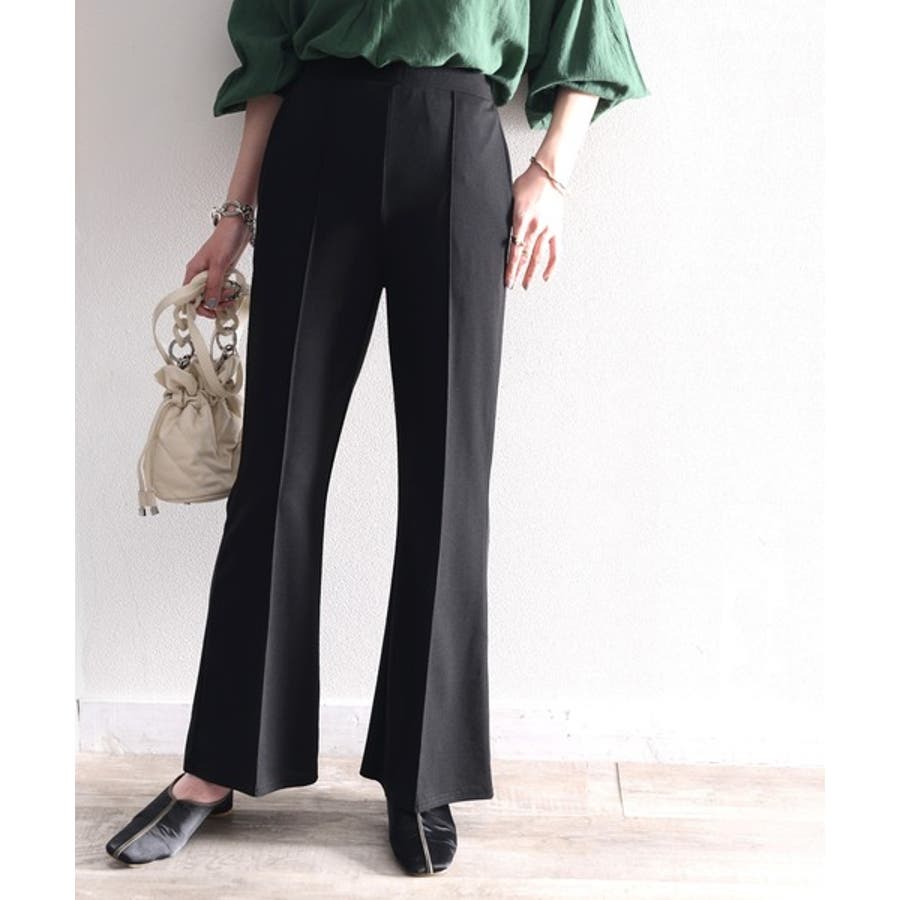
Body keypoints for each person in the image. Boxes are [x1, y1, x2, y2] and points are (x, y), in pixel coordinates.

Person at [105, 0, 649, 878]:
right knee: (277, 469)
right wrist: (236, 210)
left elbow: (586, 26)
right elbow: (272, 53)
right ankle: (217, 764)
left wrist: (552, 170)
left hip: (458, 141)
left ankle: (421, 774)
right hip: (318, 138)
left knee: (448, 477)